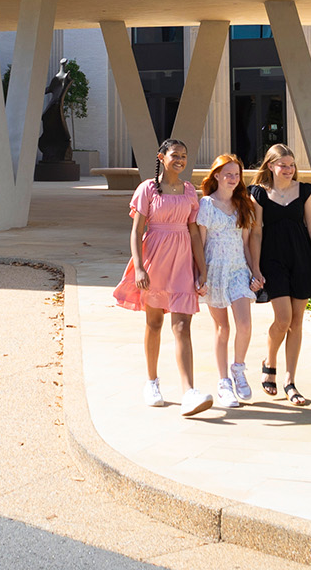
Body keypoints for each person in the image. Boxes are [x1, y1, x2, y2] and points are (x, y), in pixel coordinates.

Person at [112, 138, 213, 416]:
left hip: (182, 262)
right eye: (175, 155)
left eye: (184, 155)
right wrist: (139, 267)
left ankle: (189, 392)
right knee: (154, 323)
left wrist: (202, 268)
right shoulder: (147, 188)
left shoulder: (190, 190)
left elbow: (194, 232)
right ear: (162, 157)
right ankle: (152, 383)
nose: (180, 160)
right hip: (155, 260)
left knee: (182, 326)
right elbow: (136, 232)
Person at [248, 142, 311, 406]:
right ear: (270, 166)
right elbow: (256, 232)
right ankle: (270, 361)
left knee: (297, 323)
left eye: (292, 165)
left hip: (301, 259)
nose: (288, 169)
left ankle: (290, 382)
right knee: (283, 319)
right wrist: (255, 268)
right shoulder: (258, 193)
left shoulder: (304, 191)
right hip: (272, 260)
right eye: (283, 165)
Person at [196, 153, 262, 408]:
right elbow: (200, 243)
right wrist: (200, 274)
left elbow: (246, 243)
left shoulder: (243, 203)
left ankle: (238, 369)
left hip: (237, 271)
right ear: (216, 175)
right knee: (222, 328)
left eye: (237, 175)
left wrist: (254, 271)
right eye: (228, 174)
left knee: (244, 324)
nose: (233, 179)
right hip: (214, 271)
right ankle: (223, 382)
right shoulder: (206, 205)